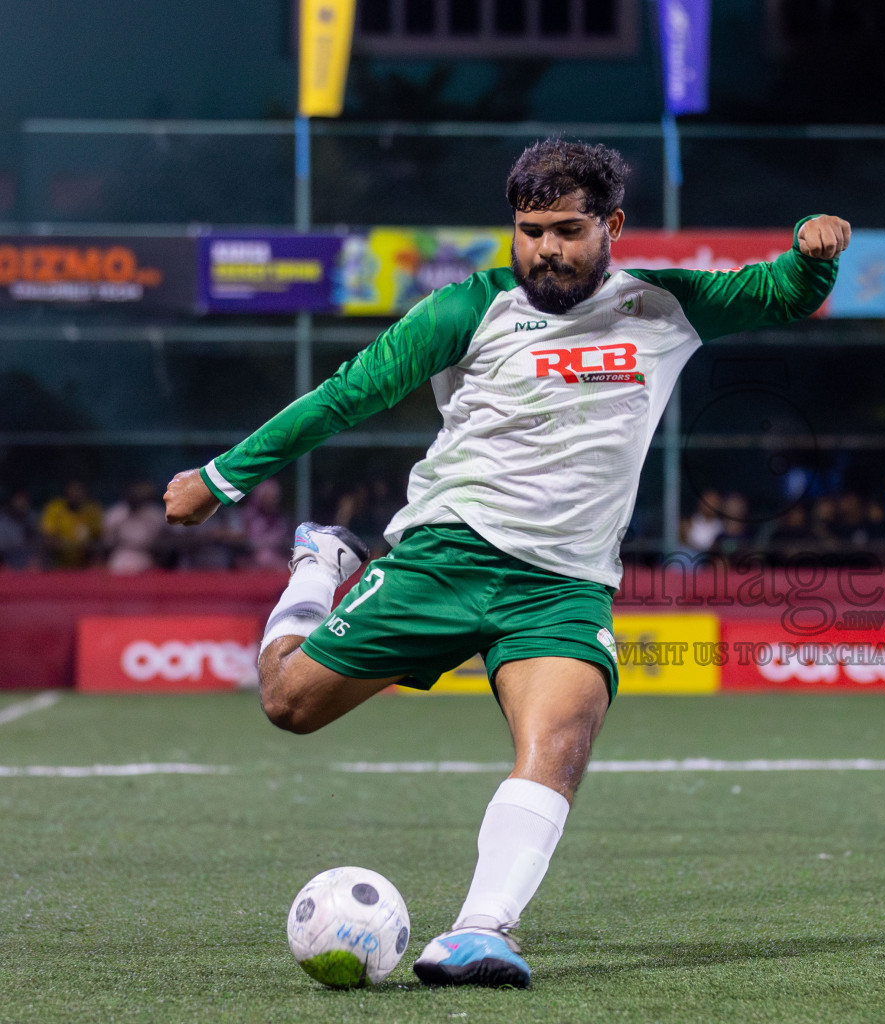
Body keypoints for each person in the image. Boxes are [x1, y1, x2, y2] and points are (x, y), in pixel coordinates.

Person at [163, 138, 849, 988]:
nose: (546, 251)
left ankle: (481, 931)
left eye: (566, 230)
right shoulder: (467, 309)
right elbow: (346, 393)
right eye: (529, 232)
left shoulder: (663, 306)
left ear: (613, 226)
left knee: (561, 739)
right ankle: (319, 565)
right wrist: (221, 479)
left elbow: (780, 292)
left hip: (562, 588)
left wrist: (813, 250)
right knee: (288, 703)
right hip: (447, 553)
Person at [102, 480, 169, 574]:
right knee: (118, 567)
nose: (135, 498)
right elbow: (108, 540)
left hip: (146, 554)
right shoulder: (115, 514)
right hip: (122, 553)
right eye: (132, 495)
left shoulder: (155, 514)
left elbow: (162, 537)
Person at [39, 480, 103, 568]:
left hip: (85, 560)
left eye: (78, 491)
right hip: (58, 559)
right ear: (66, 494)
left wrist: (86, 545)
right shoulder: (55, 508)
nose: (75, 495)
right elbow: (48, 539)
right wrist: (69, 545)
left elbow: (98, 539)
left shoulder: (92, 510)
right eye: (72, 492)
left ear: (84, 492)